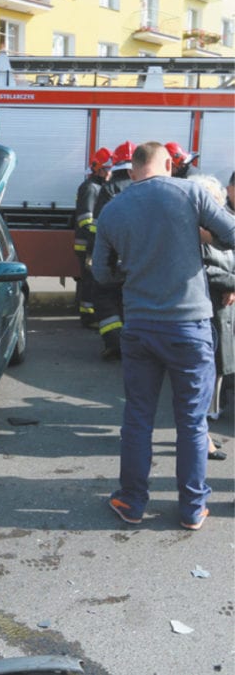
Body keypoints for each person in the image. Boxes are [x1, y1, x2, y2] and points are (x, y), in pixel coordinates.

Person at [92, 142, 235, 530]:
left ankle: (131, 501)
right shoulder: (191, 193)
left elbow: (101, 274)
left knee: (138, 418)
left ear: (132, 170)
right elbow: (232, 234)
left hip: (140, 326)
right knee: (192, 422)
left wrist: (133, 272)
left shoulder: (113, 208)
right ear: (169, 164)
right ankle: (192, 508)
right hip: (190, 326)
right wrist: (206, 239)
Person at [192, 174, 235, 464]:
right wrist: (232, 283)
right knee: (204, 374)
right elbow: (203, 270)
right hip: (206, 311)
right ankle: (201, 437)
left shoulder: (215, 230)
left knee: (215, 372)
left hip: (221, 310)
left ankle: (203, 433)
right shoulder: (194, 233)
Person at [92, 141, 135, 359]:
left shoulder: (108, 189)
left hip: (113, 256)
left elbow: (98, 226)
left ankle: (114, 342)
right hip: (138, 257)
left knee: (104, 295)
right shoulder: (143, 187)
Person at [74, 147, 112, 328]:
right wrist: (98, 240)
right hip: (87, 244)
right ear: (98, 169)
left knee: (91, 280)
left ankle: (91, 314)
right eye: (107, 169)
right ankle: (88, 317)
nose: (110, 172)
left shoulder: (99, 187)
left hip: (92, 243)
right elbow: (85, 220)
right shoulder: (90, 188)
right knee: (90, 281)